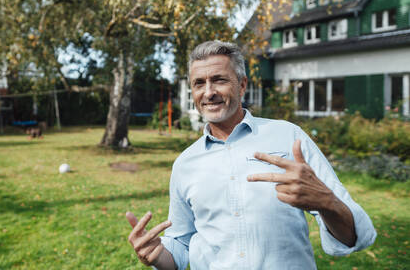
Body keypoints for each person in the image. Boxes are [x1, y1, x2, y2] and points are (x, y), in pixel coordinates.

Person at [126, 41, 376, 269]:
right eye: (199, 83)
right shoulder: (184, 163)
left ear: (242, 85)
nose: (209, 92)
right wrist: (157, 254)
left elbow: (357, 236)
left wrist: (326, 202)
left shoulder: (289, 137)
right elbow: (180, 247)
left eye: (219, 80)